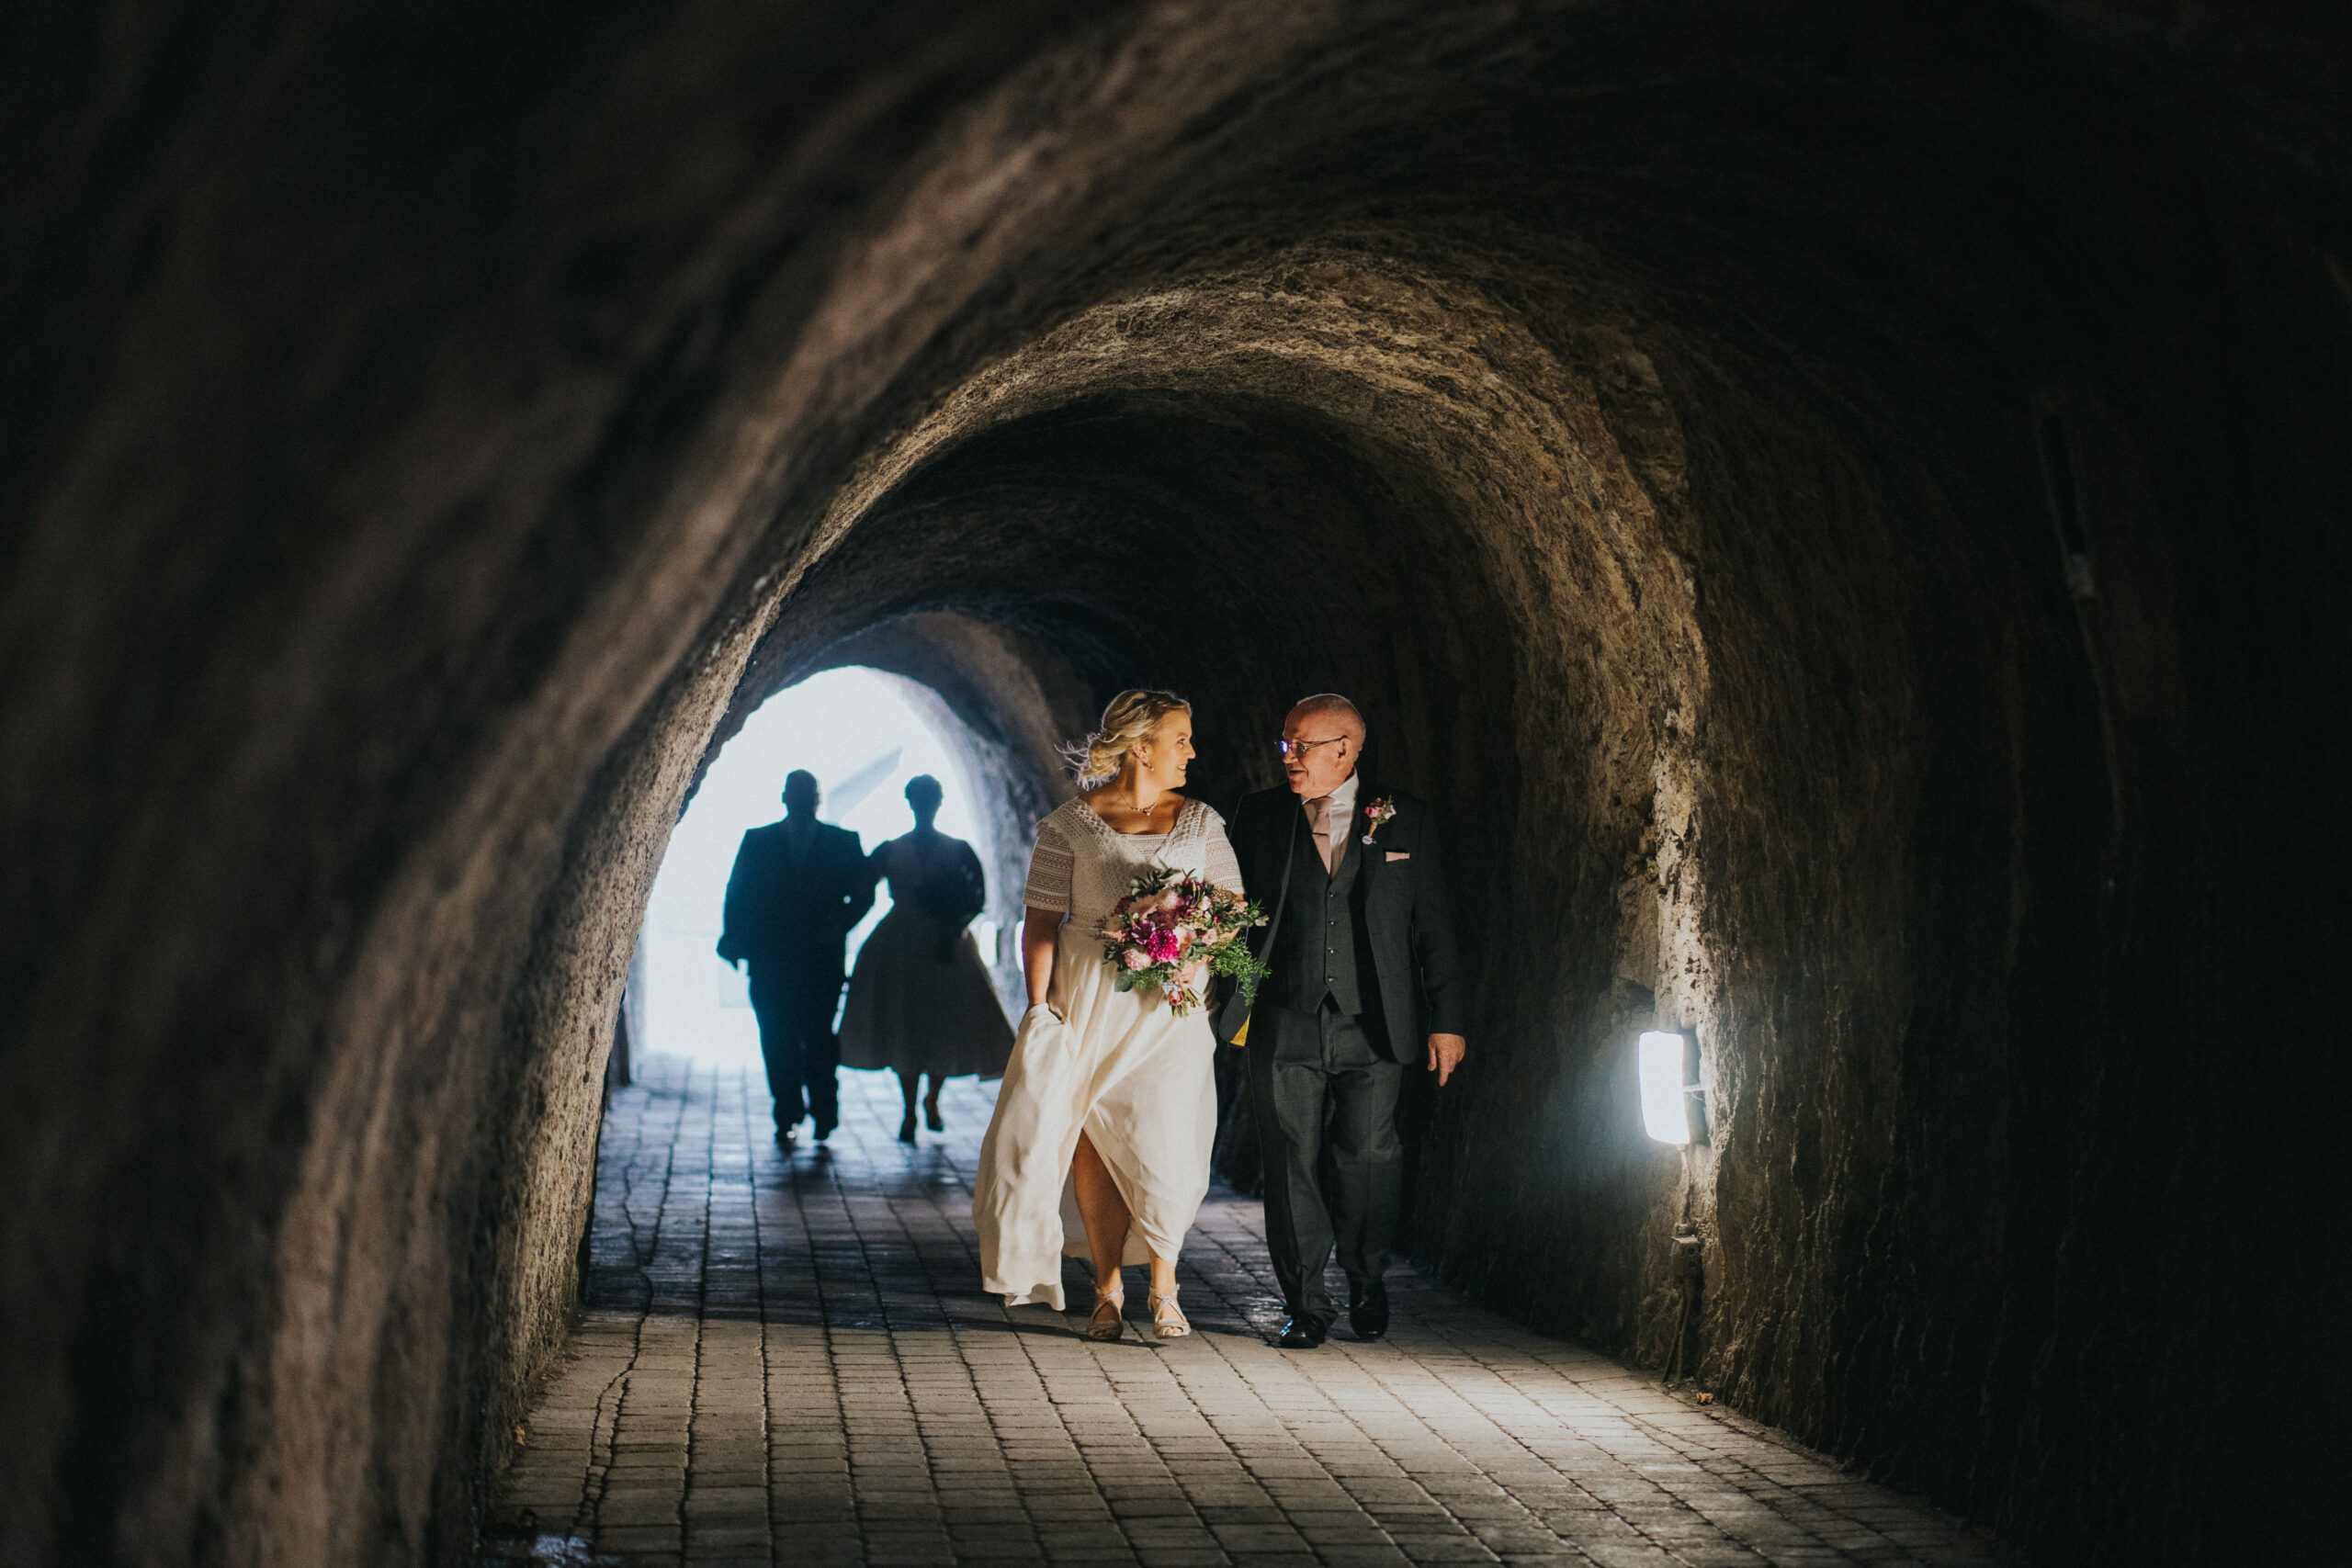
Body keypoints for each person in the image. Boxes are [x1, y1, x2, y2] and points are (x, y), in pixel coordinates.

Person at [973, 690, 1245, 1342]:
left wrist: (1190, 944)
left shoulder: (1202, 822)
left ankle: (1166, 1283)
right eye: (1181, 738)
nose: (1192, 751)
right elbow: (1040, 923)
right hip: (1093, 999)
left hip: (1171, 1008)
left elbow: (1231, 909)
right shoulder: (1069, 824)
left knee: (1168, 1136)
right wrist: (1039, 1011)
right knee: (1095, 1142)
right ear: (1141, 745)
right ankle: (1105, 1290)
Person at [1216, 694, 1465, 1348]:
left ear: (1346, 750)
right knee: (1289, 1157)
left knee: (1370, 1155)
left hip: (1376, 1019)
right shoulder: (1259, 815)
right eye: (1285, 744)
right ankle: (1306, 1302)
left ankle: (1366, 1276)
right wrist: (1223, 992)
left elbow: (1434, 926)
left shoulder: (1403, 816)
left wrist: (1449, 1021)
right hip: (1282, 1017)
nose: (1288, 757)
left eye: (1302, 745)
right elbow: (1229, 915)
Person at [839, 774, 1015, 1141]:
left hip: (944, 943)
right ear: (911, 802)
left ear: (937, 803)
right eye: (920, 799)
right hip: (899, 942)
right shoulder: (891, 849)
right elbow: (859, 883)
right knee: (906, 1021)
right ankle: (909, 1109)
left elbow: (977, 898)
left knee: (939, 1022)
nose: (924, 805)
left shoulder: (958, 849)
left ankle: (931, 1099)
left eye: (929, 799)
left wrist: (955, 927)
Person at [718, 769, 875, 1146]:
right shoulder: (757, 841)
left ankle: (823, 1111)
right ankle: (787, 1112)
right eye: (797, 793)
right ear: (785, 797)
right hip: (771, 960)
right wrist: (736, 942)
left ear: (816, 799)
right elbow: (737, 894)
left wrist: (841, 925)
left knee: (819, 1038)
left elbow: (865, 893)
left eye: (808, 794)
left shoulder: (844, 842)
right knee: (777, 1038)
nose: (802, 800)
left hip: (821, 961)